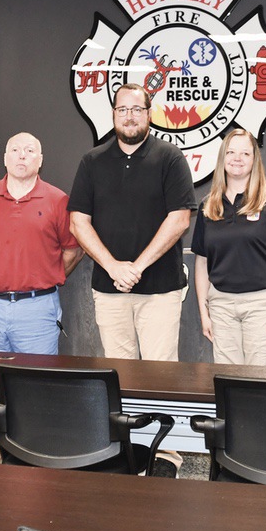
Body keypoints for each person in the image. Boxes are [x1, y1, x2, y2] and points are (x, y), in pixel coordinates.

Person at [69, 83, 197, 362]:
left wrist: (136, 268)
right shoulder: (92, 162)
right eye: (123, 109)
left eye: (137, 109)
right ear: (113, 114)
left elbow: (179, 220)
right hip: (109, 288)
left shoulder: (170, 158)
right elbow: (78, 222)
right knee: (120, 375)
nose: (130, 116)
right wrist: (113, 267)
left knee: (160, 377)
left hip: (160, 291)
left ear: (150, 114)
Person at [0, 132, 83, 355]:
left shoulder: (58, 201)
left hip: (37, 308)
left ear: (40, 160)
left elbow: (73, 251)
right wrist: (0, 269)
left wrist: (42, 275)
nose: (22, 156)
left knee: (36, 383)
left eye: (30, 151)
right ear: (5, 158)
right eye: (15, 150)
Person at [192, 129, 266, 366]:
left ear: (254, 159)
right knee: (229, 383)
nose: (237, 158)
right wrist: (204, 311)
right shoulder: (208, 206)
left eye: (245, 153)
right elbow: (201, 262)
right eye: (231, 152)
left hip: (265, 306)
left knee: (262, 384)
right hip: (221, 306)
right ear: (222, 158)